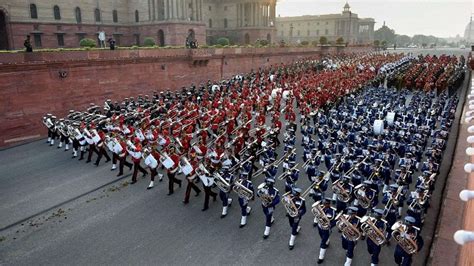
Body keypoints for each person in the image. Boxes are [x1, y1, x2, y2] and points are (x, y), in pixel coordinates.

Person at [316, 198, 337, 264]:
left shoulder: (332, 211)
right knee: (322, 237)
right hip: (320, 227)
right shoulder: (321, 209)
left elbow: (335, 221)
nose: (324, 205)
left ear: (329, 204)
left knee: (323, 243)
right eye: (324, 203)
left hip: (326, 229)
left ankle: (321, 257)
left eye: (326, 204)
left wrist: (330, 226)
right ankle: (327, 241)